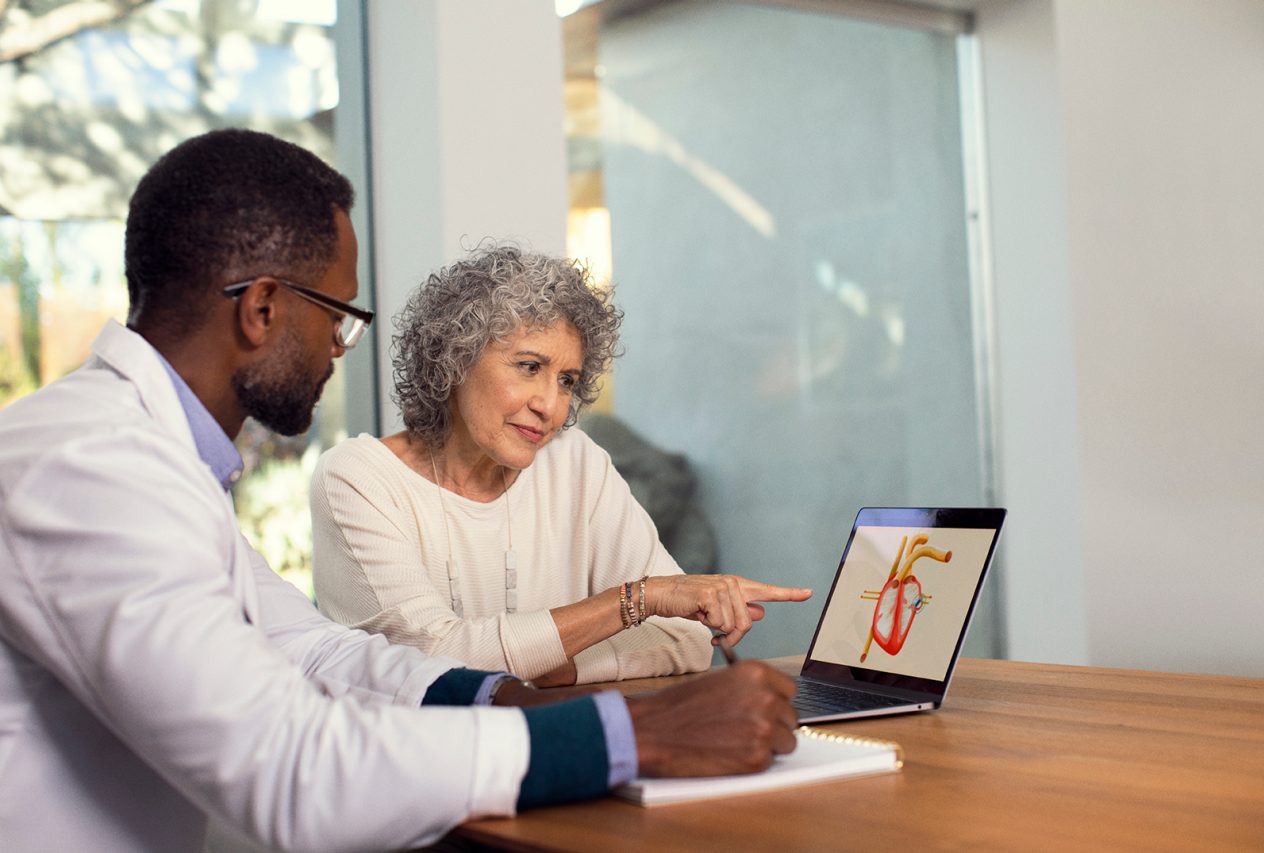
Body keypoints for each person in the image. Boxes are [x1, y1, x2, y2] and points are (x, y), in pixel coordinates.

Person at [0, 128, 800, 853]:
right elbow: (288, 769)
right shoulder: (89, 465)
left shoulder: (148, 455)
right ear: (265, 307)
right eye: (338, 317)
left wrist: (509, 699)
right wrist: (628, 733)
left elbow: (316, 649)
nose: (339, 348)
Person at [310, 246, 812, 686]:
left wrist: (561, 667)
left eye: (568, 380)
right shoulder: (358, 479)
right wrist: (637, 600)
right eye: (529, 368)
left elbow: (686, 640)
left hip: (561, 757)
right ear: (454, 359)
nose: (551, 406)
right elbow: (435, 664)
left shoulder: (574, 463)